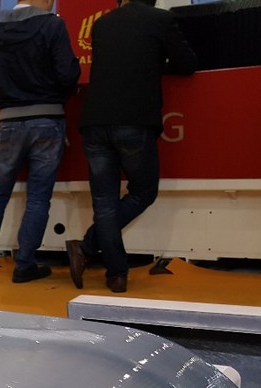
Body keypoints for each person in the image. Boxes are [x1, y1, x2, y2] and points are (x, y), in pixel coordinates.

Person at [66, 0, 197, 293]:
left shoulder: (102, 24)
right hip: (134, 119)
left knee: (104, 201)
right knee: (143, 192)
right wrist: (158, 62)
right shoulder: (160, 20)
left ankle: (114, 272)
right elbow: (187, 64)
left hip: (94, 121)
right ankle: (87, 249)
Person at [0, 0, 80, 284]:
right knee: (38, 197)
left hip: (9, 120)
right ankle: (25, 264)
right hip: (48, 118)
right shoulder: (53, 25)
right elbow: (68, 74)